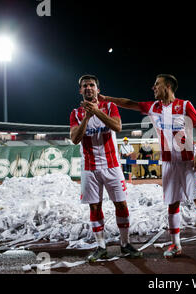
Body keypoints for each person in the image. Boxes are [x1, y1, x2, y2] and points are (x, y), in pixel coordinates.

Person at [96, 74, 196, 261]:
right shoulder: (153, 107)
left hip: (188, 163)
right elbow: (129, 103)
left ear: (167, 86)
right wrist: (107, 99)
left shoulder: (185, 105)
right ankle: (175, 244)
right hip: (169, 163)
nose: (153, 87)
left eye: (157, 84)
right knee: (173, 204)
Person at [69, 74, 142, 262]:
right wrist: (87, 116)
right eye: (84, 86)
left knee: (121, 204)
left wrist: (97, 111)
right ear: (80, 90)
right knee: (95, 206)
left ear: (97, 89)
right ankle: (101, 246)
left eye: (91, 85)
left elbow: (117, 127)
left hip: (112, 165)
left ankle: (125, 244)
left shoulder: (110, 107)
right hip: (89, 168)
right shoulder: (75, 113)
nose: (88, 88)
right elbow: (75, 138)